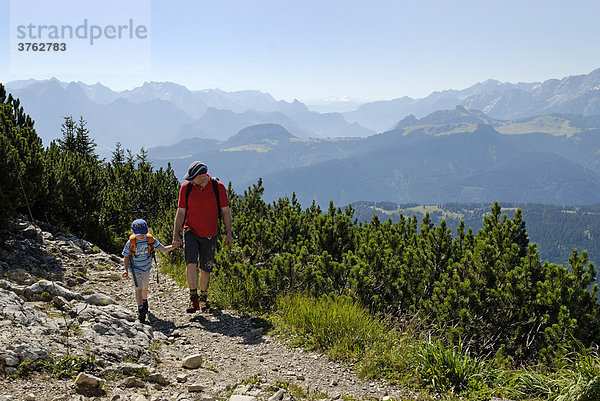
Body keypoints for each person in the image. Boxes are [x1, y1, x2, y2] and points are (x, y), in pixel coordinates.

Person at [172, 161, 233, 313]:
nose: (190, 180)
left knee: (205, 269)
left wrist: (229, 233)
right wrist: (176, 234)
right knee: (190, 264)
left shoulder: (218, 187)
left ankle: (203, 298)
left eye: (193, 178)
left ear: (202, 176)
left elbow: (225, 212)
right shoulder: (186, 188)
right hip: (190, 231)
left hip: (210, 234)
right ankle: (193, 298)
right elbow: (180, 212)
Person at [123, 218, 176, 323]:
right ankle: (141, 309)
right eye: (138, 234)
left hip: (146, 268)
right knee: (138, 288)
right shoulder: (130, 242)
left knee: (145, 289)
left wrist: (173, 247)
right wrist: (126, 270)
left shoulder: (150, 240)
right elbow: (126, 256)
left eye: (143, 233)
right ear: (134, 232)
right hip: (134, 269)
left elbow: (163, 249)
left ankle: (144, 300)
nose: (141, 236)